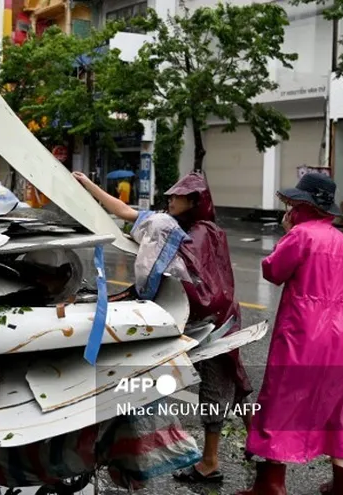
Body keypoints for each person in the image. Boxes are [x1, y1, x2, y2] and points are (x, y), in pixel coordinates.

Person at [73, 170, 253, 485]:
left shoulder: (204, 233)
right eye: (169, 195)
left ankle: (215, 461)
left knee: (220, 386)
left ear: (194, 201)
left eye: (177, 196)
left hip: (216, 321)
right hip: (199, 319)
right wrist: (89, 186)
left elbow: (200, 279)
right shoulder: (172, 227)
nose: (170, 199)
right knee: (230, 386)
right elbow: (128, 213)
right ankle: (256, 447)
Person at [235, 173, 343, 495]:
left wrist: (288, 233)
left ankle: (271, 484)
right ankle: (340, 484)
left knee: (279, 404)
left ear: (302, 205)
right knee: (333, 409)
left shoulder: (301, 235)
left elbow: (274, 271)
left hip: (301, 338)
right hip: (337, 340)